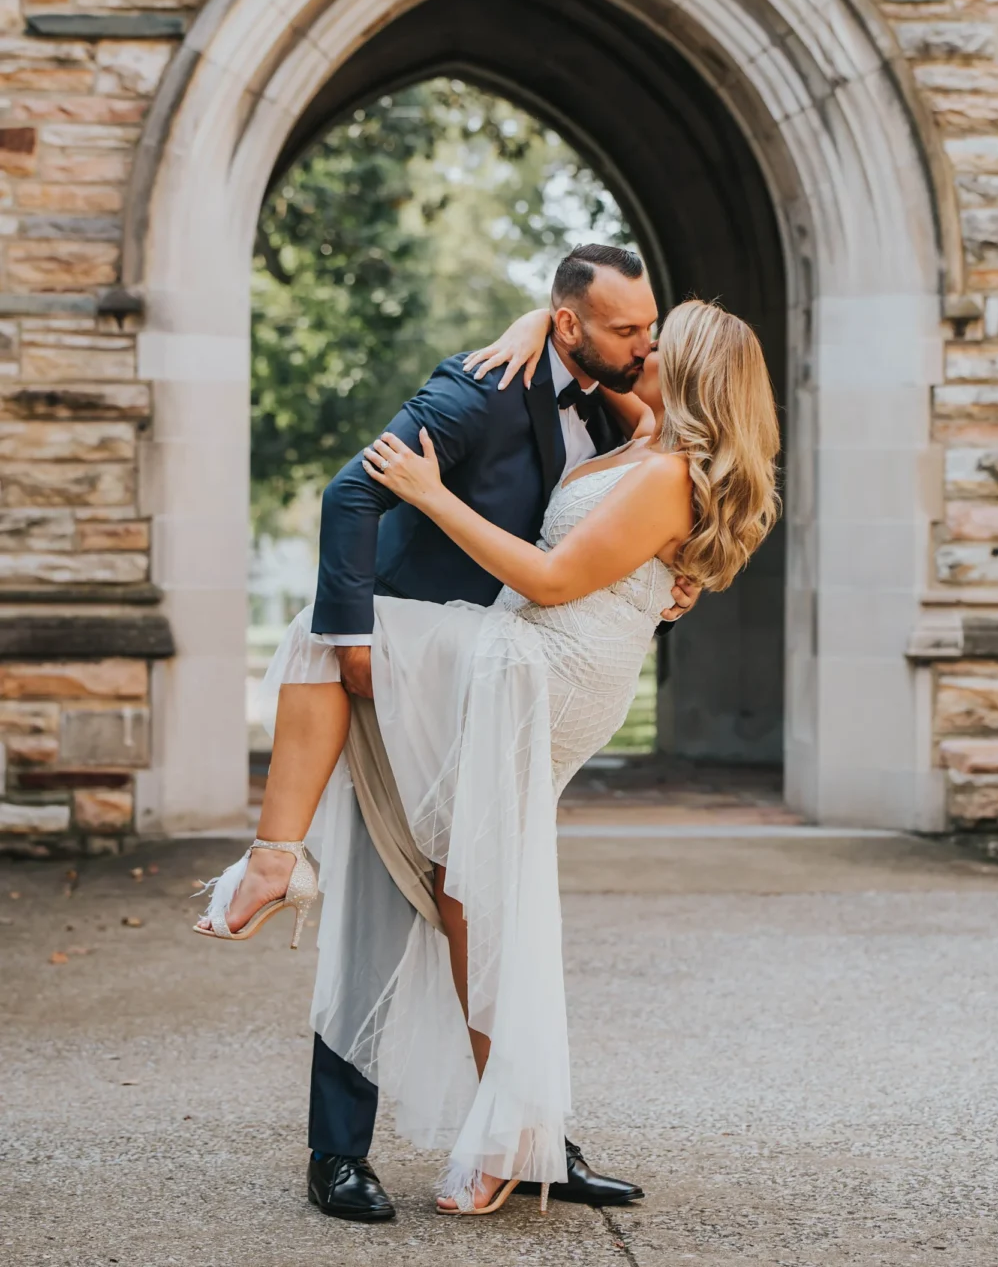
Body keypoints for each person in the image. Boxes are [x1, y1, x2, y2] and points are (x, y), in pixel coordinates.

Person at [199, 255, 779, 1220]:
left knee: (330, 649)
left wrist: (429, 496)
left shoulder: (652, 448)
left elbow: (563, 577)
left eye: (654, 339)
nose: (641, 347)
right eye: (630, 332)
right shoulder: (617, 414)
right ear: (572, 327)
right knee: (469, 903)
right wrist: (526, 324)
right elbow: (354, 492)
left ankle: (274, 857)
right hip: (510, 658)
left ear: (684, 369)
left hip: (531, 668)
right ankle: (515, 1137)